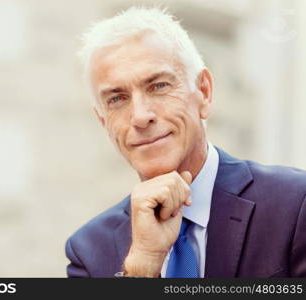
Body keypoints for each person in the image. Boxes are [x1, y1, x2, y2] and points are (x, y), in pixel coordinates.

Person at [65, 7, 306, 278]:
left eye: (158, 86)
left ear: (203, 92)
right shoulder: (89, 251)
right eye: (117, 99)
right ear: (103, 122)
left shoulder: (296, 205)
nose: (141, 116)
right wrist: (142, 267)